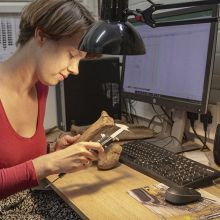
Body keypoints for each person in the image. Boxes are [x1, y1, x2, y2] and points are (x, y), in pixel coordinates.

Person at [0, 0, 104, 218]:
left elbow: (13, 160)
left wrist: (53, 152)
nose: (75, 69)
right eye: (71, 55)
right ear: (41, 36)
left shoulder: (40, 86)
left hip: (26, 199)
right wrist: (48, 164)